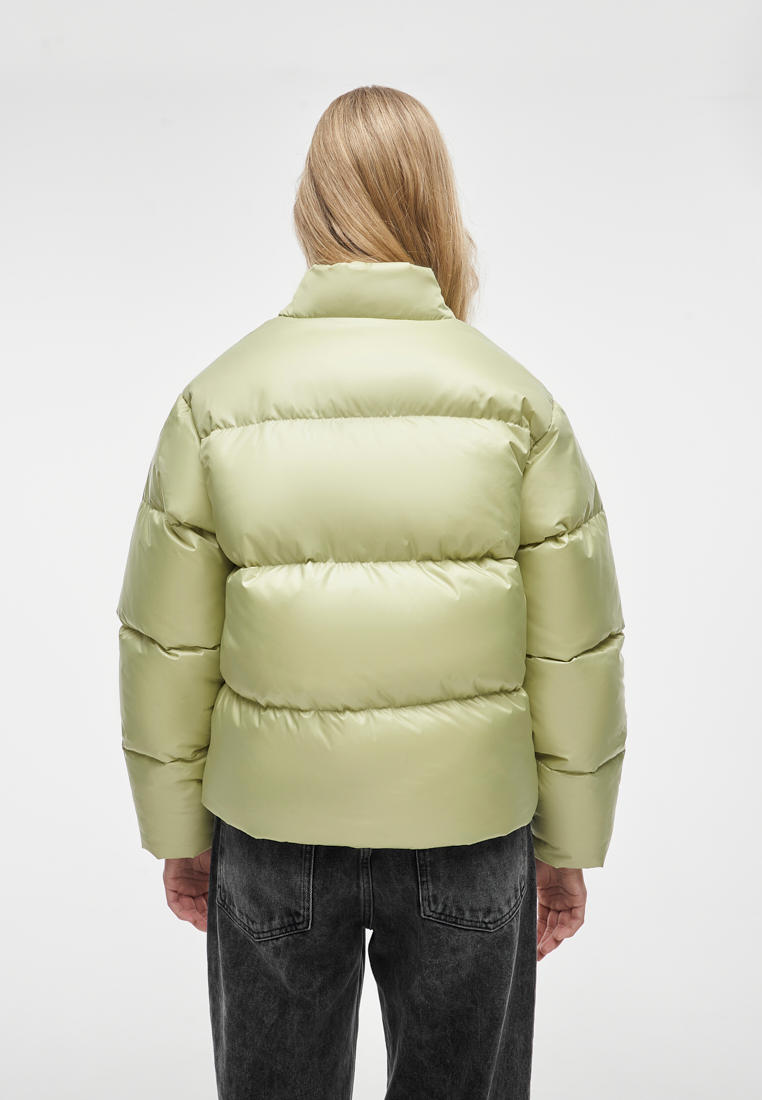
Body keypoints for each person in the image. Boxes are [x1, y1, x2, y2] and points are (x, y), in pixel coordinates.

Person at [116, 84, 627, 1100]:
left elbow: (167, 647)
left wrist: (180, 832)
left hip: (272, 830)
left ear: (311, 208)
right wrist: (567, 845)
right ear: (437, 203)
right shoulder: (518, 404)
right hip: (470, 834)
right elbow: (574, 652)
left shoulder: (217, 402)